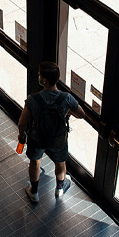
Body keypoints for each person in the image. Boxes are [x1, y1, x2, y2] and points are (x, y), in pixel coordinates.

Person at [17, 61, 86, 202]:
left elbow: (22, 122)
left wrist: (21, 135)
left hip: (37, 138)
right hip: (58, 139)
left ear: (44, 80)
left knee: (35, 162)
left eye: (39, 75)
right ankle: (59, 189)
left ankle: (34, 192)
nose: (38, 77)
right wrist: (67, 112)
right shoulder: (66, 98)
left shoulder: (32, 99)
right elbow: (81, 114)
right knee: (60, 163)